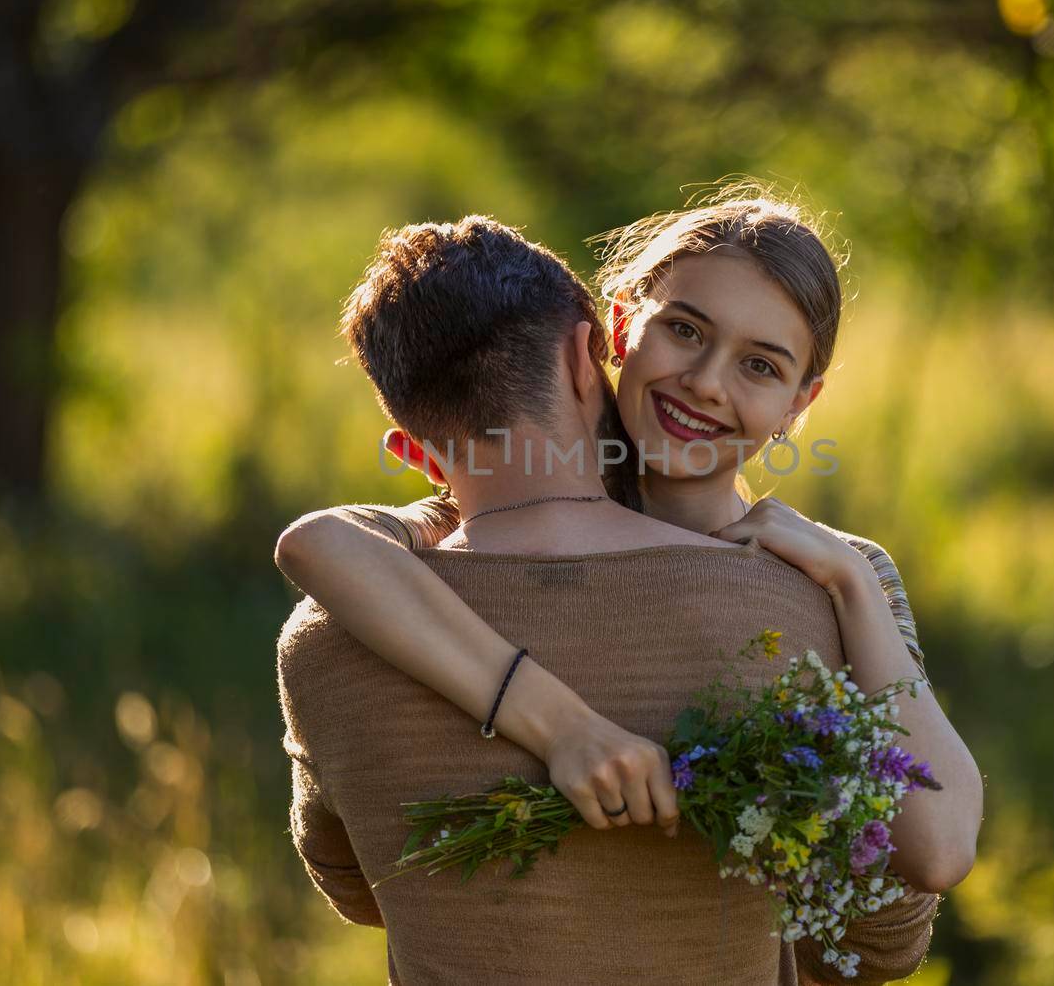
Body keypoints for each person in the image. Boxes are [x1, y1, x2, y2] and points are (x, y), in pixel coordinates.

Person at [277, 201, 977, 980]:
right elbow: (322, 542)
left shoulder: (841, 579)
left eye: (760, 365)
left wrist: (848, 577)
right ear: (615, 330)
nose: (705, 383)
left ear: (798, 405)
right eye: (684, 329)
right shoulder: (451, 529)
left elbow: (924, 867)